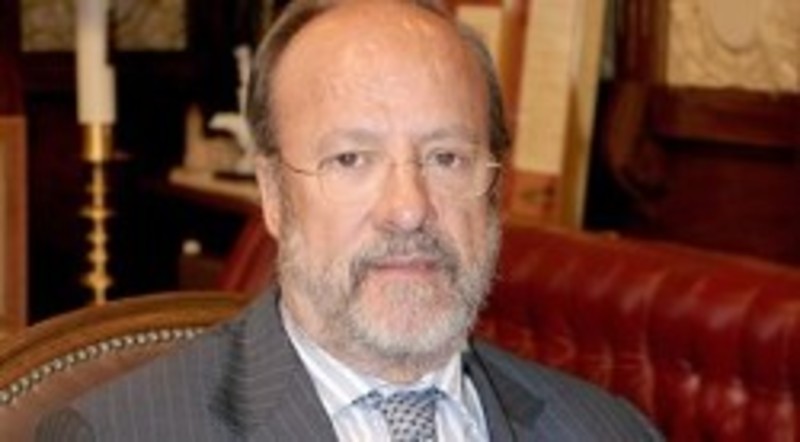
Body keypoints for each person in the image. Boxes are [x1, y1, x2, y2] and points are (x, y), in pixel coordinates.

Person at [37, 1, 663, 440]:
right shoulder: (120, 434)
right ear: (274, 195)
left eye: (447, 157)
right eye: (351, 159)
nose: (408, 209)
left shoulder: (611, 432)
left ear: (494, 186)